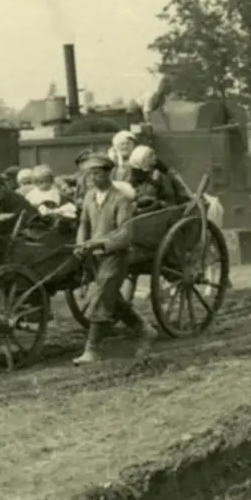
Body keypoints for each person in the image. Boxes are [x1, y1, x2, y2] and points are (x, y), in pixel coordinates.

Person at [72, 152, 158, 365]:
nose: (92, 178)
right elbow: (84, 223)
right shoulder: (90, 197)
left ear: (108, 173)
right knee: (112, 297)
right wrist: (81, 243)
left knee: (101, 296)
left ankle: (92, 350)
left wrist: (98, 242)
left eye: (97, 174)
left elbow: (124, 234)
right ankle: (145, 330)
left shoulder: (121, 199)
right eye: (89, 174)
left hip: (116, 255)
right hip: (96, 256)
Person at [127, 145, 182, 211]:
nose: (155, 157)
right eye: (151, 156)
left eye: (154, 154)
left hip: (170, 205)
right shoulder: (137, 178)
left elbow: (176, 189)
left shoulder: (162, 172)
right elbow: (145, 199)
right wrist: (154, 181)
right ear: (143, 161)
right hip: (153, 209)